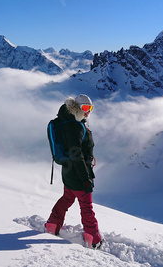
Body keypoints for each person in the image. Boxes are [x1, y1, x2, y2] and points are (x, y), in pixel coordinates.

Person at [45, 94, 102, 248]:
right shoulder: (74, 126)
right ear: (76, 107)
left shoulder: (72, 122)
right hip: (78, 173)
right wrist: (86, 178)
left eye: (90, 108)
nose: (88, 111)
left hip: (69, 172)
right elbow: (77, 155)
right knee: (86, 206)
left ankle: (53, 224)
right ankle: (93, 238)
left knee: (67, 198)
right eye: (85, 108)